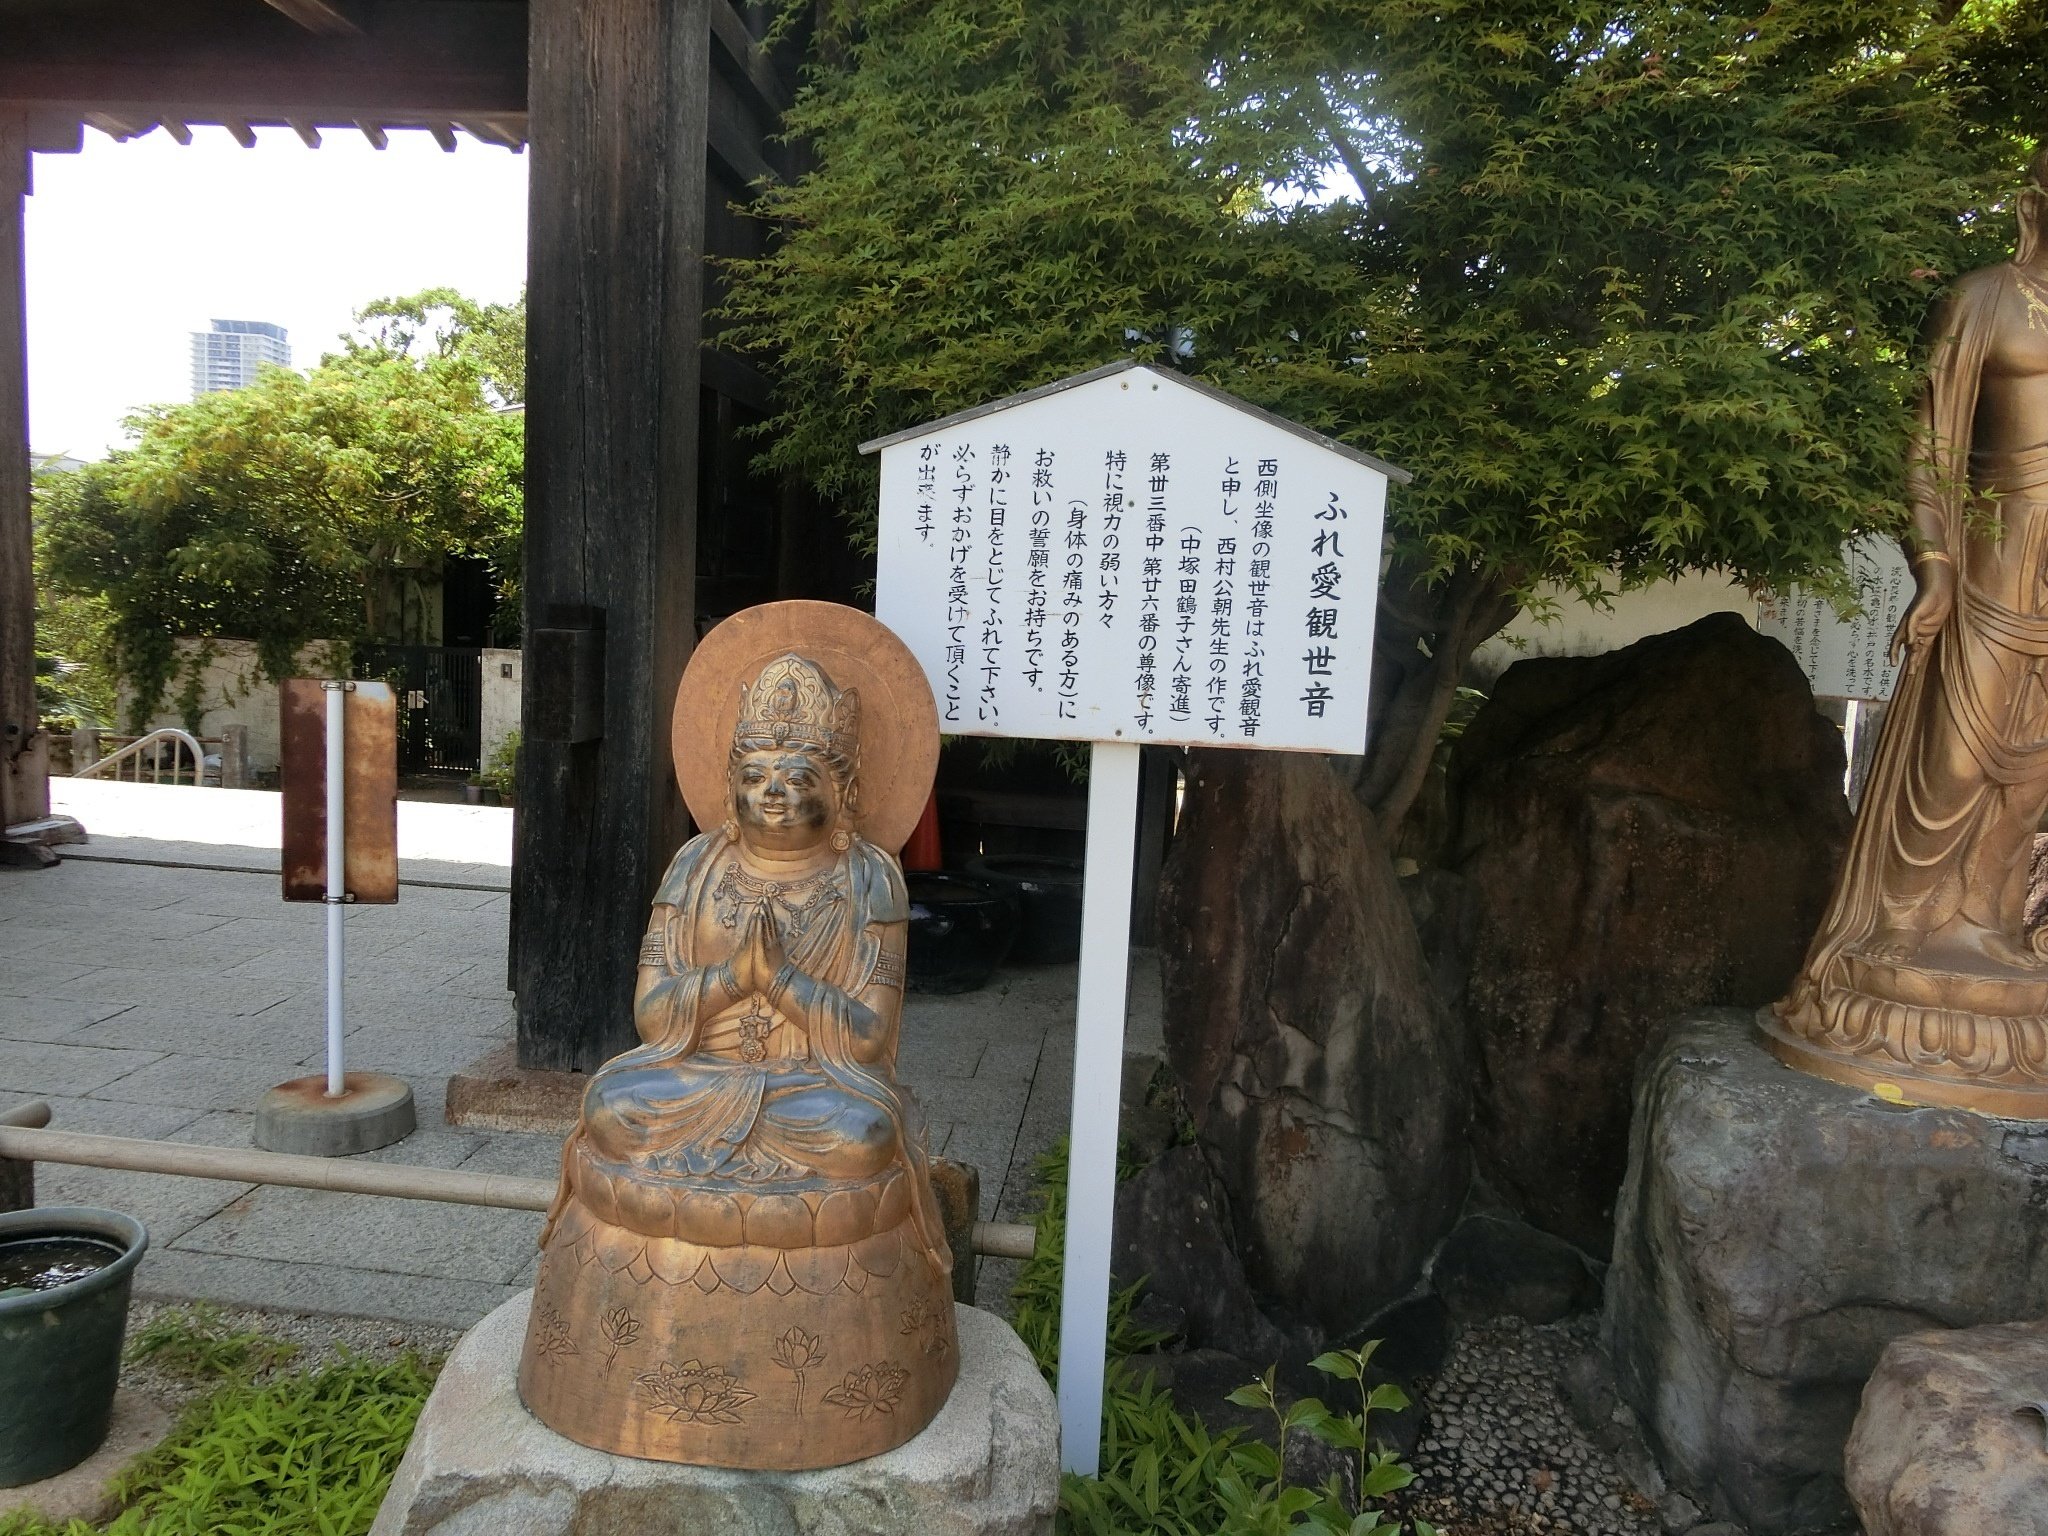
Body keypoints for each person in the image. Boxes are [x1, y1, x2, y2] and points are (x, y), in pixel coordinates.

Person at [1771, 148, 2048, 1105]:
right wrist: (1932, 567)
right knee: (1958, 757)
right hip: (1991, 562)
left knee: (2037, 771)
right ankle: (1901, 921)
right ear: (2031, 203)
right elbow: (1929, 449)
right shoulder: (1984, 300)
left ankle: (1986, 924)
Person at [540, 651, 945, 1263]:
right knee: (610, 1106)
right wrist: (734, 978)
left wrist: (780, 981)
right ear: (728, 791)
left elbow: (869, 1036)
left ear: (845, 792)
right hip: (693, 1080)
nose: (773, 794)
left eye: (799, 778)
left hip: (811, 1087)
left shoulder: (868, 879)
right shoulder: (695, 866)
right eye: (754, 777)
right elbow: (651, 1018)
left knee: (866, 1133)